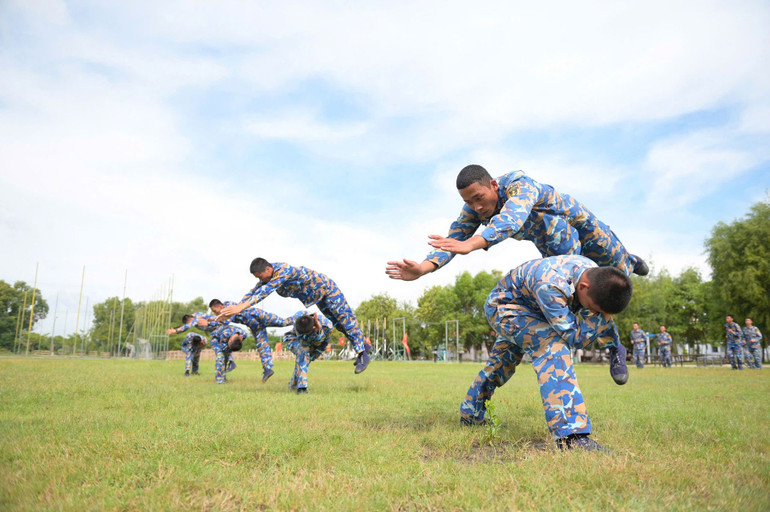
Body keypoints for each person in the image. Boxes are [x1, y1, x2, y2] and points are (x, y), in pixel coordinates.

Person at [459, 255, 632, 451]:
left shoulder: (594, 273)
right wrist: (602, 319)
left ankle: (471, 414)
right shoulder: (551, 284)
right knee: (552, 346)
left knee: (502, 361)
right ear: (584, 286)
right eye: (593, 307)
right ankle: (571, 436)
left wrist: (602, 318)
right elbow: (574, 337)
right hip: (506, 308)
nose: (592, 311)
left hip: (535, 308)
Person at [386, 165, 648, 283]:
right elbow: (452, 240)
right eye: (469, 201)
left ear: (493, 185)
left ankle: (629, 259)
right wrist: (422, 268)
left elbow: (511, 219)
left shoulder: (520, 185)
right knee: (581, 287)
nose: (477, 207)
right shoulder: (473, 209)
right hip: (554, 244)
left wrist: (473, 244)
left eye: (479, 198)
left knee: (619, 271)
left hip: (580, 225)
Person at [218, 258, 371, 374]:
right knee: (339, 325)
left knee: (345, 320)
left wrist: (240, 308)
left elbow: (264, 292)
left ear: (268, 269)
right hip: (318, 297)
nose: (260, 280)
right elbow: (254, 291)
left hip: (327, 289)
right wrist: (236, 308)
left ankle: (362, 354)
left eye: (260, 276)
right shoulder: (269, 277)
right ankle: (365, 345)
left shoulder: (283, 270)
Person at [209, 298, 294, 383]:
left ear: (220, 306)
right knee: (262, 345)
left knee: (283, 322)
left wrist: (209, 321)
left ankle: (300, 316)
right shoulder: (224, 313)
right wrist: (212, 320)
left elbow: (226, 320)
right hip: (254, 326)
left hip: (258, 316)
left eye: (215, 311)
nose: (215, 314)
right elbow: (222, 321)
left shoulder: (229, 306)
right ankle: (267, 369)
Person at [283, 311, 334, 394]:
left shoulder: (328, 326)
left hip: (314, 343)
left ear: (313, 327)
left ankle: (293, 384)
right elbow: (302, 342)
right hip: (292, 338)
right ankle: (302, 388)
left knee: (304, 361)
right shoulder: (298, 316)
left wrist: (318, 332)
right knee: (303, 354)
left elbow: (323, 344)